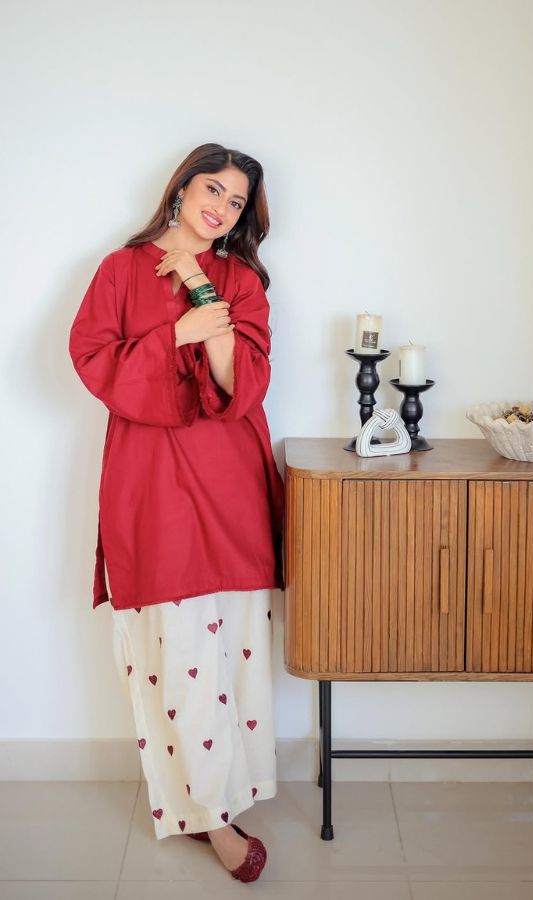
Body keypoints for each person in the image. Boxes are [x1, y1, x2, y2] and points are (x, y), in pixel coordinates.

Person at [68, 143, 285, 883]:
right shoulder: (119, 270)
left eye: (236, 202)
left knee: (234, 652)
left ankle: (222, 796)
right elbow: (93, 360)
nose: (221, 208)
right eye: (213, 189)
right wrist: (174, 337)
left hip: (230, 483)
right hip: (152, 482)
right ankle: (212, 817)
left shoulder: (239, 279)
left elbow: (242, 381)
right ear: (181, 188)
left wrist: (197, 286)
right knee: (177, 651)